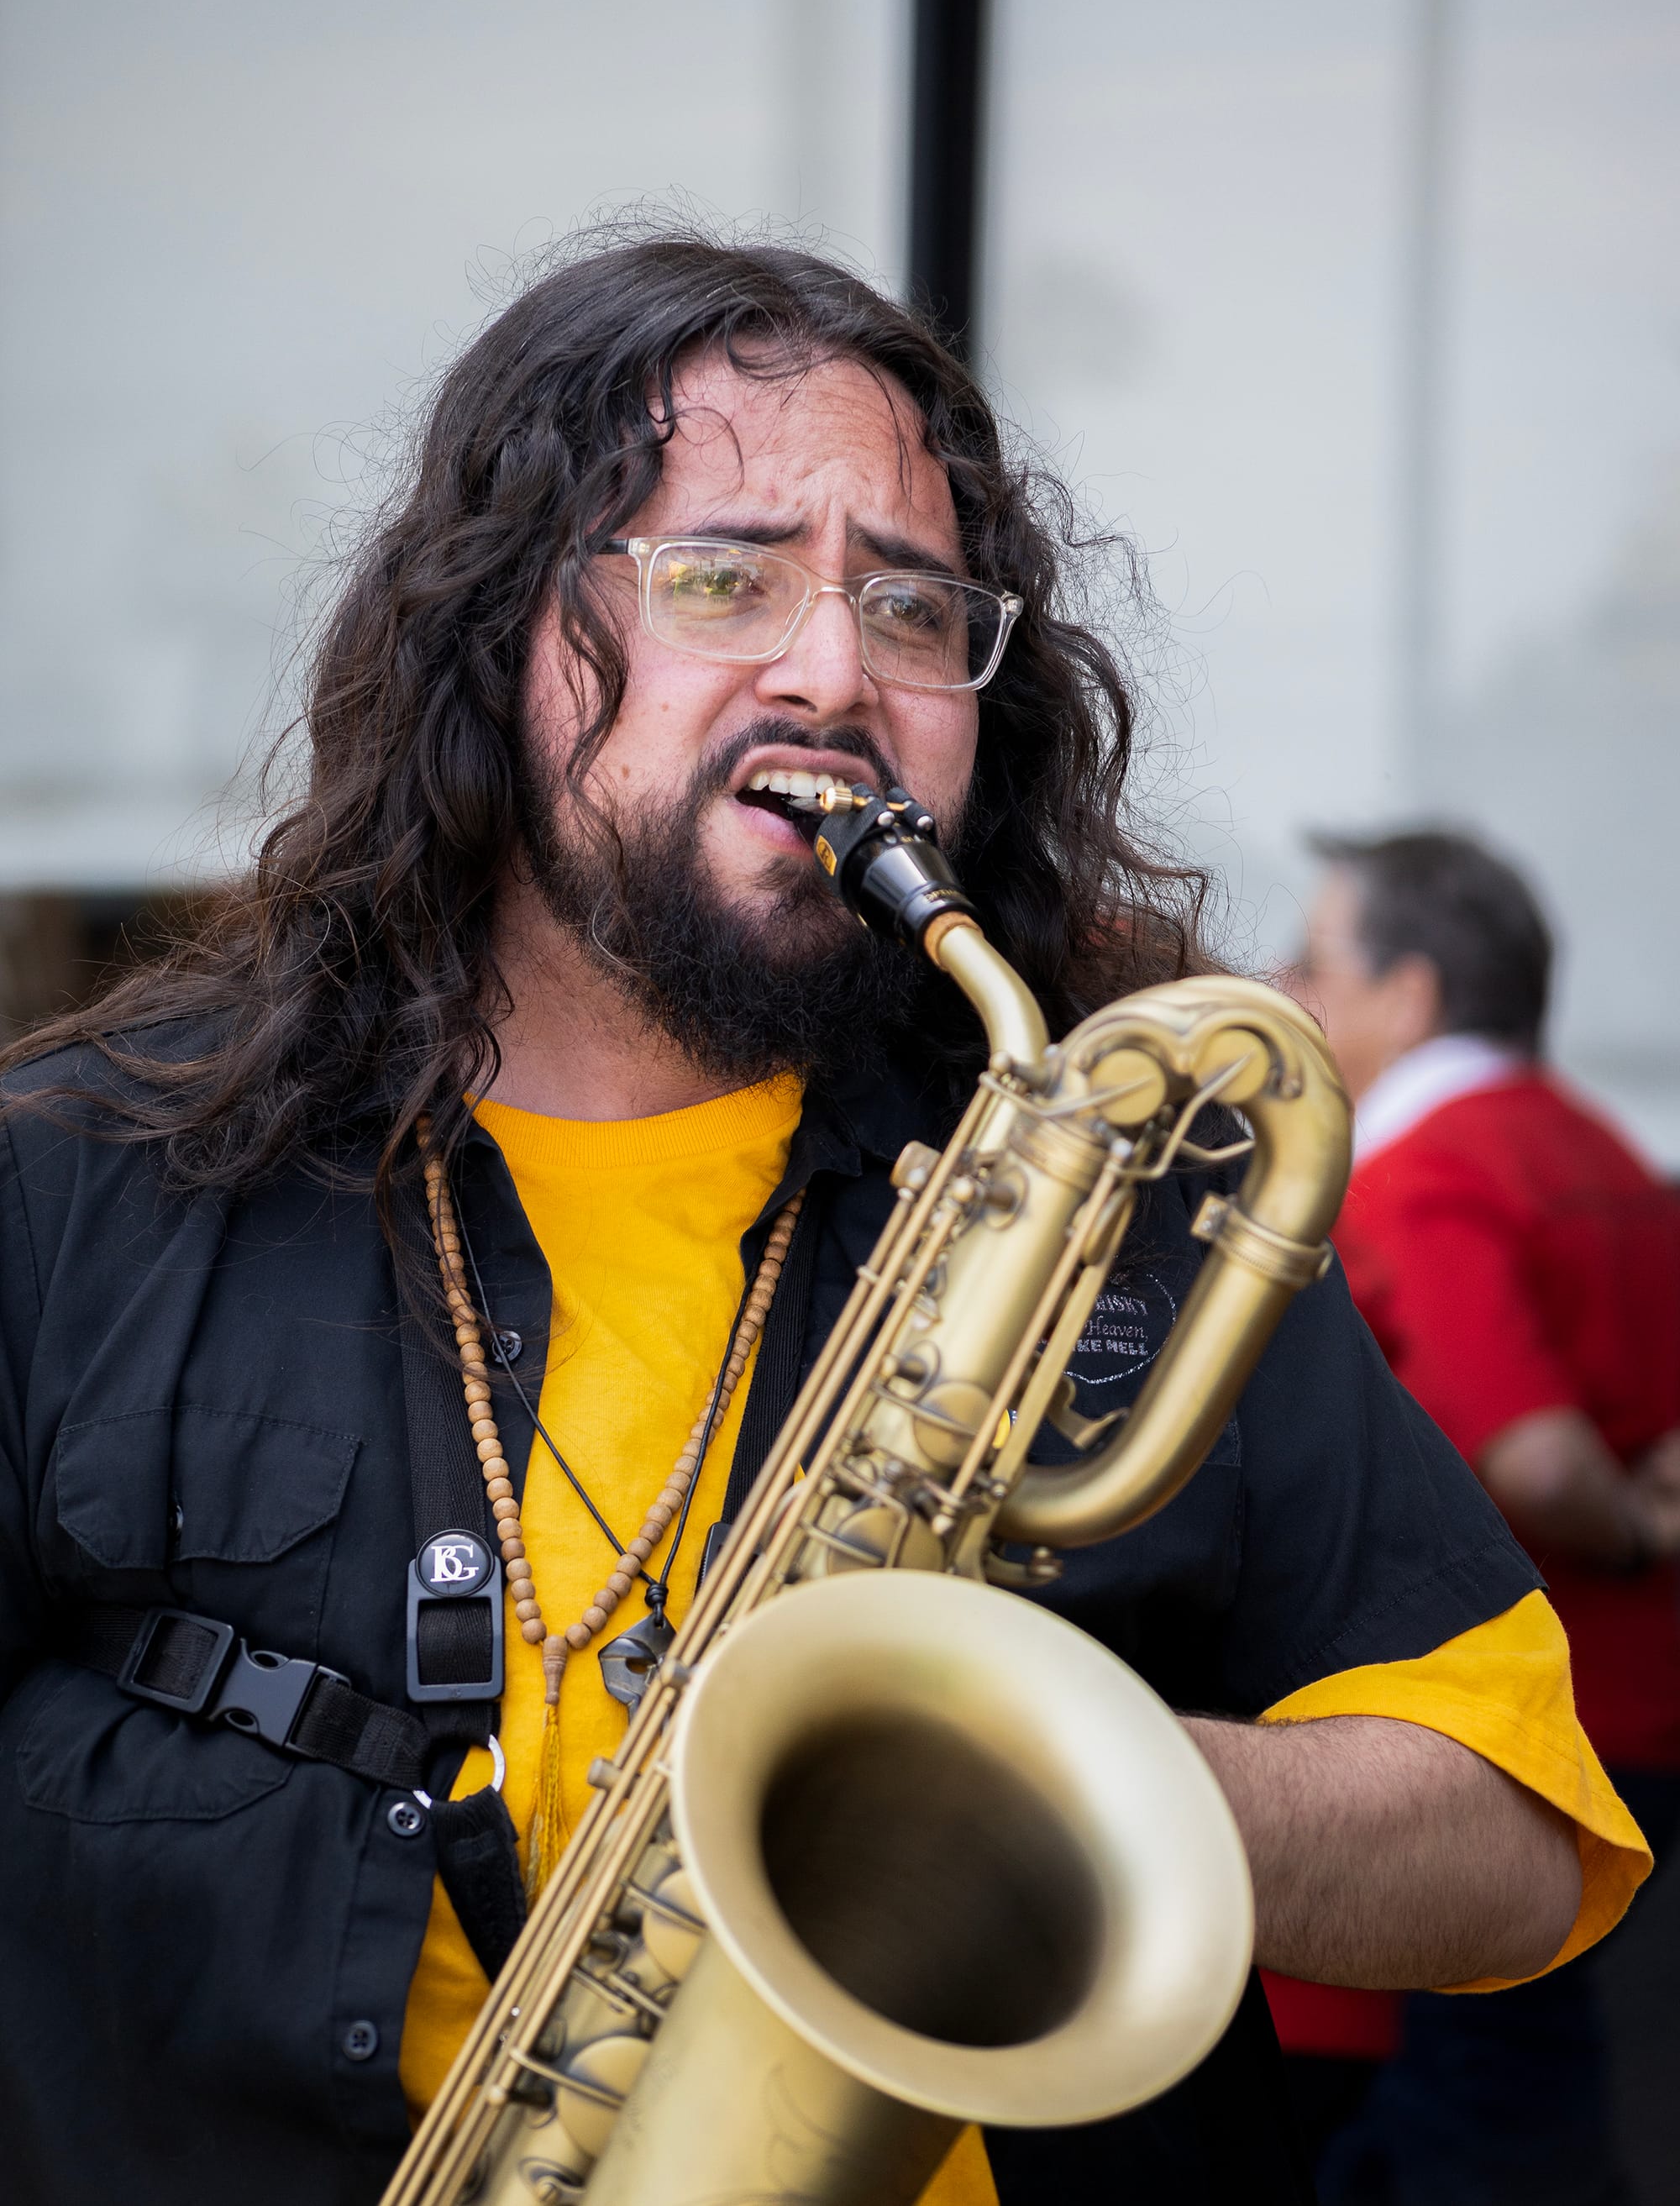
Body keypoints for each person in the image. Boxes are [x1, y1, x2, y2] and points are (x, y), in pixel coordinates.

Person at [0, 235, 1648, 2206]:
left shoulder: (1107, 1189)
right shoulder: (84, 1177)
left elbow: (1516, 1835)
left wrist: (1066, 1789)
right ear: (496, 630)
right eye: (727, 573)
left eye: (913, 602)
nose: (836, 667)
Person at [1283, 827, 1680, 2204]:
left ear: (1411, 995)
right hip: (1646, 1718)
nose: (1290, 988)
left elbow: (1533, 1451)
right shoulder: (1604, 1148)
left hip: (1530, 1747)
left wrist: (1624, 1525)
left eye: (1318, 962)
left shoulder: (1420, 1177)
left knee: (1482, 2127)